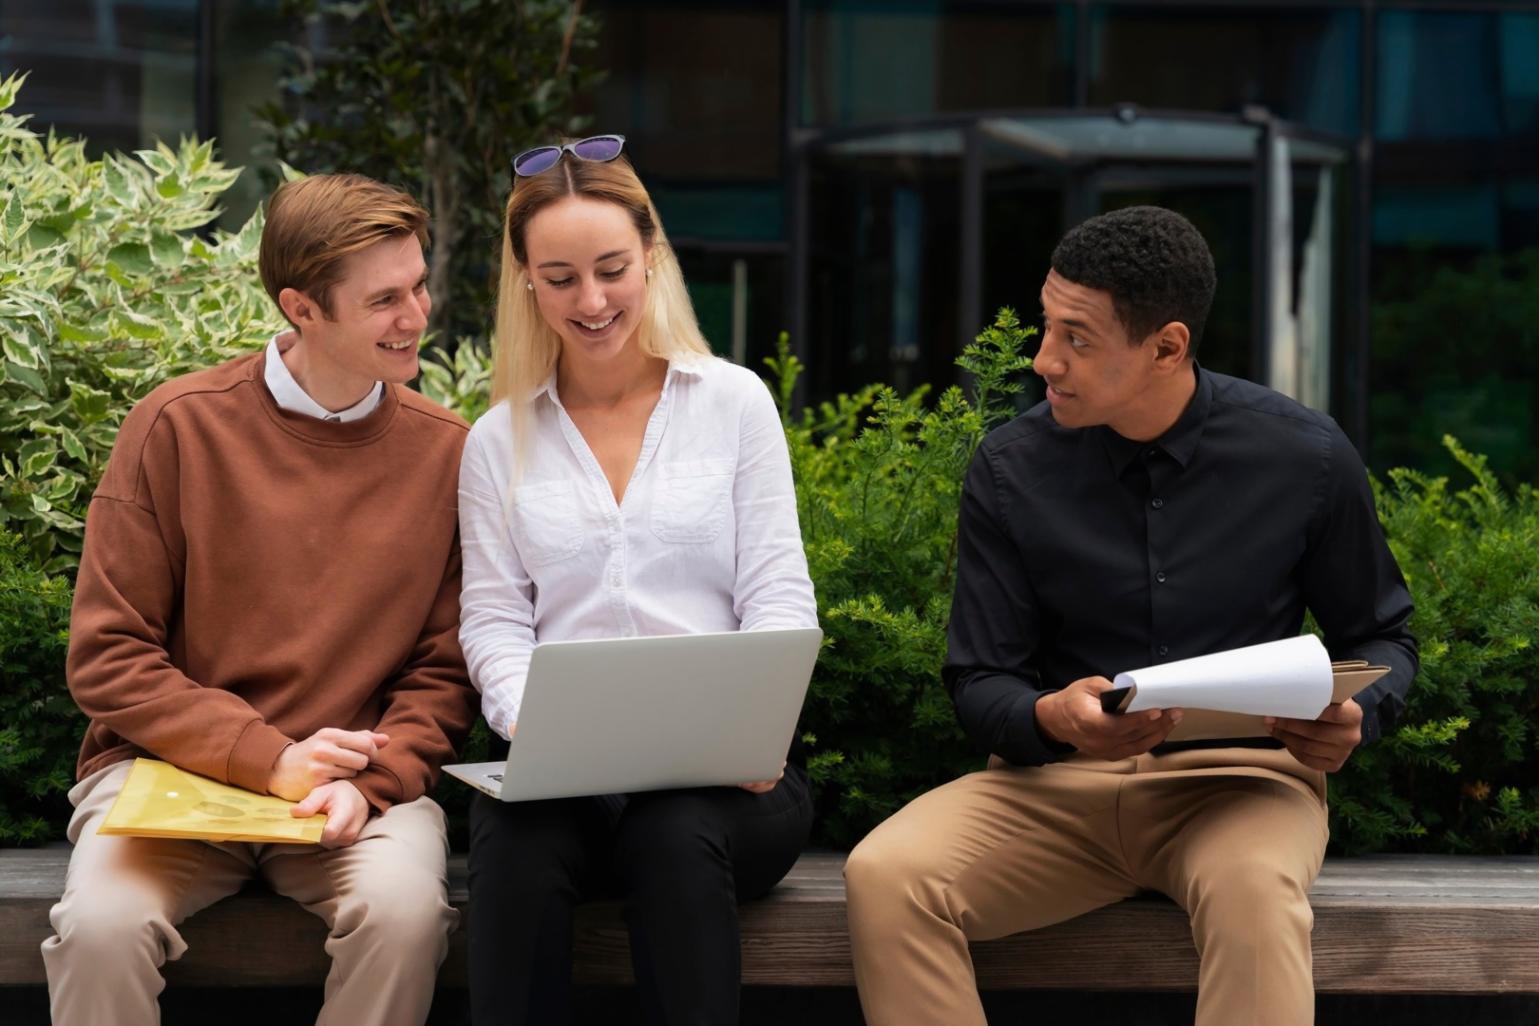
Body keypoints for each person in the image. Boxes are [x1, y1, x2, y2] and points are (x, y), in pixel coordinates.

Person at [844, 205, 1418, 1026]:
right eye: (1048, 326)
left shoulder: (1305, 457)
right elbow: (979, 677)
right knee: (886, 874)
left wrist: (1358, 710)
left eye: (1077, 338)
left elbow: (1382, 634)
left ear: (1166, 346)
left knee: (1254, 895)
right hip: (1053, 791)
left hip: (1239, 788)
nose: (1044, 359)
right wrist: (1050, 717)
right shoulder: (1009, 468)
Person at [41, 173, 478, 1026]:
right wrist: (268, 758)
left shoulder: (449, 452)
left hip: (354, 793)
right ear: (301, 307)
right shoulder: (176, 427)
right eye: (384, 299)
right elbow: (109, 657)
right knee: (100, 929)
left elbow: (447, 666)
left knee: (404, 914)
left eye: (419, 285)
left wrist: (378, 778)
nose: (416, 315)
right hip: (169, 781)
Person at [457, 135, 818, 1026]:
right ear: (526, 283)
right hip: (562, 780)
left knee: (672, 833)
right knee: (512, 842)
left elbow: (778, 592)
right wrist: (524, 719)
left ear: (650, 257)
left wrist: (755, 730)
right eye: (561, 276)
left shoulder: (733, 404)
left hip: (731, 789)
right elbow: (494, 621)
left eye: (612, 268)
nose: (592, 300)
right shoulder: (497, 440)